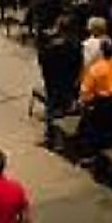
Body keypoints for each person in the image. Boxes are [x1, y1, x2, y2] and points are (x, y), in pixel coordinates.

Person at [37, 17, 82, 147]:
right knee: (65, 107)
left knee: (52, 109)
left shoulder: (52, 48)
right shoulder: (76, 45)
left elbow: (43, 63)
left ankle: (51, 138)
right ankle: (63, 137)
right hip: (70, 82)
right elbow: (79, 64)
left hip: (54, 83)